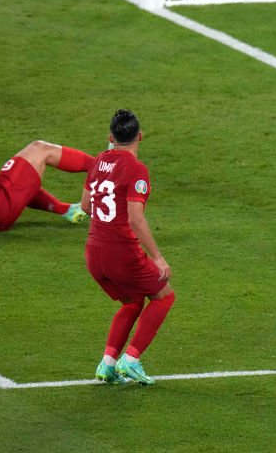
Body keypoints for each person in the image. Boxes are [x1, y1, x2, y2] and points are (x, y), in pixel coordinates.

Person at [83, 109, 174, 386]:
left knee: (133, 301)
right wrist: (158, 258)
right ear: (140, 136)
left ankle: (108, 364)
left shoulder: (98, 161)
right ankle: (131, 360)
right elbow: (135, 218)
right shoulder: (136, 169)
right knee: (163, 296)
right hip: (121, 253)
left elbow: (86, 206)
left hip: (93, 253)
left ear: (111, 137)